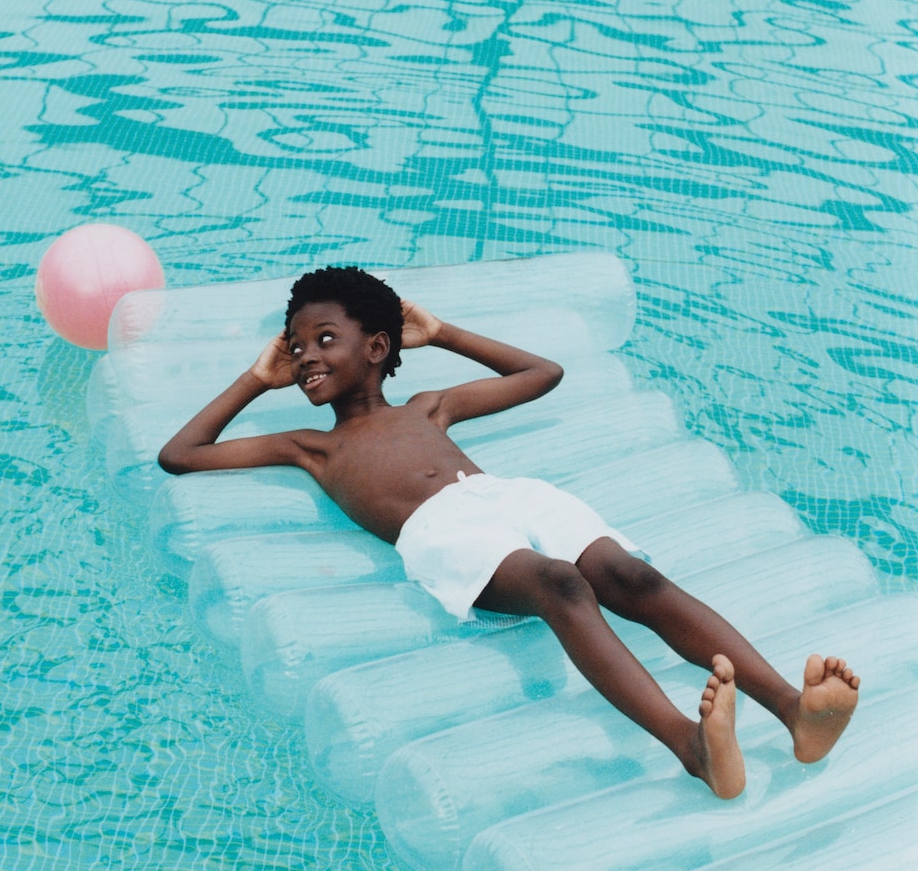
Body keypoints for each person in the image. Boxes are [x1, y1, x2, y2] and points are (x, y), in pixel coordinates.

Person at [159, 264, 860, 799]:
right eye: (295, 345)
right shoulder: (310, 446)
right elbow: (181, 455)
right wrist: (257, 378)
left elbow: (541, 373)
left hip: (508, 497)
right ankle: (692, 748)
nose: (305, 356)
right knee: (562, 586)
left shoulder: (430, 407)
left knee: (632, 576)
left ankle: (794, 712)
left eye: (323, 340)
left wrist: (442, 334)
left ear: (377, 347)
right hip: (441, 534)